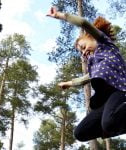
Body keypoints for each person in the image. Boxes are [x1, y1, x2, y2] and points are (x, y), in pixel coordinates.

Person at [47, 7, 126, 141]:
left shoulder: (105, 44)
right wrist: (69, 83)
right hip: (105, 100)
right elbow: (86, 78)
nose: (83, 52)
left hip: (119, 90)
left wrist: (60, 15)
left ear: (91, 37)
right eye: (81, 52)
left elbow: (83, 23)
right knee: (80, 133)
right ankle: (112, 126)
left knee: (109, 122)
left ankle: (110, 124)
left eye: (83, 47)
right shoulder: (95, 65)